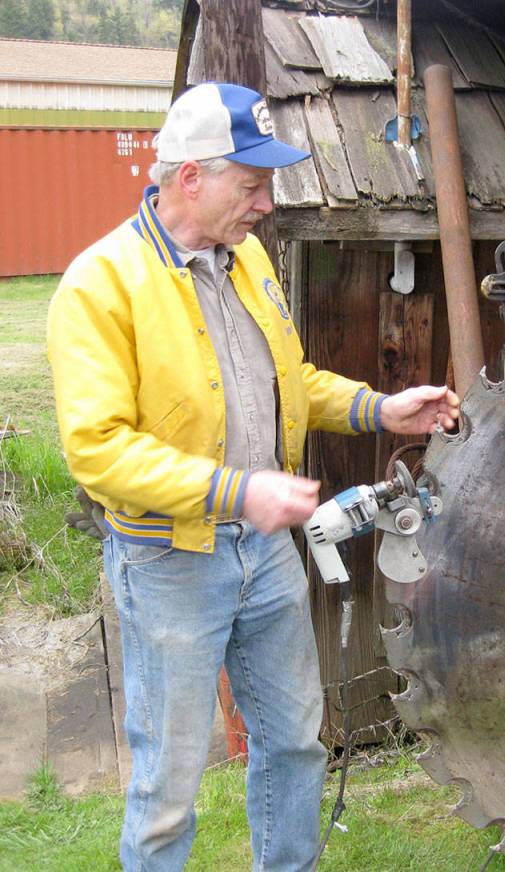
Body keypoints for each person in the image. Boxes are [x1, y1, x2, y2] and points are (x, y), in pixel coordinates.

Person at [46, 82, 459, 871]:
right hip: (169, 562)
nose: (267, 204)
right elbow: (99, 450)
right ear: (191, 177)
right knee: (167, 789)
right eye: (253, 184)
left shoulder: (246, 260)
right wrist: (241, 491)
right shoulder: (101, 284)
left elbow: (289, 379)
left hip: (265, 558)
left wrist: (381, 408)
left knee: (296, 745)